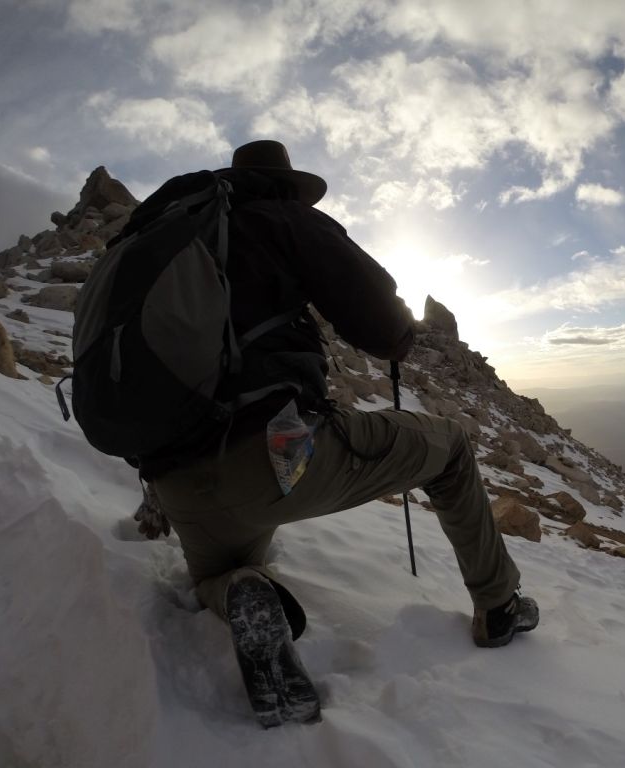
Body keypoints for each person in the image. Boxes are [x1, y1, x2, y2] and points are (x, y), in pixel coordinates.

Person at [141, 140, 538, 728]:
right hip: (274, 458)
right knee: (451, 448)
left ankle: (236, 590)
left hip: (174, 479)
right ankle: (500, 606)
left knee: (217, 572)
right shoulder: (284, 220)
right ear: (285, 185)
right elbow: (385, 327)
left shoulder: (163, 247)